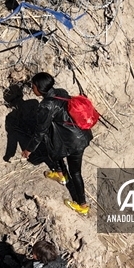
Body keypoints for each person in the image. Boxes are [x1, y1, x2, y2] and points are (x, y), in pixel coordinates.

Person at [22, 72, 92, 215]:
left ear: (39, 89)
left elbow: (40, 132)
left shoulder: (46, 106)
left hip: (74, 142)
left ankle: (82, 206)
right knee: (53, 146)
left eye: (33, 86)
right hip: (76, 133)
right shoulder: (61, 92)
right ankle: (61, 174)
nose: (32, 88)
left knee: (76, 172)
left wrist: (28, 150)